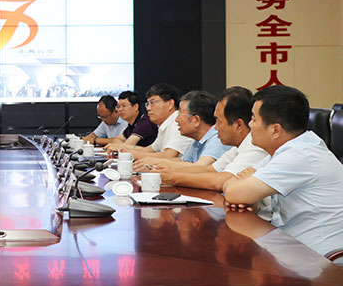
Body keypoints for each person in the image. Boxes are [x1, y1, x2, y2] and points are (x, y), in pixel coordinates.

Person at [224, 85, 343, 263]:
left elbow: (234, 192)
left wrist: (246, 192)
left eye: (254, 119)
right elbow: (231, 185)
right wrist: (246, 194)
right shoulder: (288, 150)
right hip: (293, 250)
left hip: (321, 262)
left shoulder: (300, 155)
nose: (249, 125)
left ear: (275, 130)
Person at [149, 87, 269, 192]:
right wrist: (165, 170)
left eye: (219, 121)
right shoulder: (238, 147)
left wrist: (174, 178)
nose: (215, 127)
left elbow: (220, 181)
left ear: (238, 125)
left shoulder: (255, 147)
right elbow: (210, 170)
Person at [138, 90, 231, 167]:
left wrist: (156, 163)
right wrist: (154, 162)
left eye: (180, 114)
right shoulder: (198, 141)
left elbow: (199, 168)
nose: (176, 119)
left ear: (196, 120)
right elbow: (184, 161)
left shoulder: (217, 138)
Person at [126, 83, 194, 160]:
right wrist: (125, 150)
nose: (148, 108)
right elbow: (150, 150)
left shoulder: (178, 123)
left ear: (170, 104)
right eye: (147, 104)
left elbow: (169, 155)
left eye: (152, 102)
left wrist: (132, 154)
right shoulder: (165, 124)